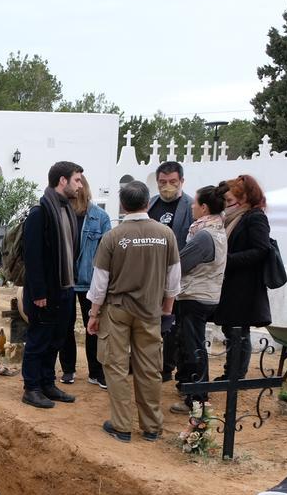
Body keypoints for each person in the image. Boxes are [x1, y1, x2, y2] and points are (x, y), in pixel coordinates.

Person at [86, 181, 180, 442]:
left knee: (115, 367)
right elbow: (174, 279)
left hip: (117, 310)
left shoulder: (113, 237)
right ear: (147, 203)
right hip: (151, 311)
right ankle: (151, 427)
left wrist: (94, 314)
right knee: (150, 368)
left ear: (123, 206)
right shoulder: (166, 234)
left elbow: (100, 282)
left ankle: (122, 425)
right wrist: (167, 310)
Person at [21, 161, 84, 409]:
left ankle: (47, 383)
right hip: (45, 293)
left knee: (56, 339)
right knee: (38, 340)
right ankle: (32, 387)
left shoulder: (67, 210)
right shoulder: (40, 213)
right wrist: (38, 292)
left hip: (65, 289)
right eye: (77, 180)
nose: (80, 185)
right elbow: (33, 256)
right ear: (62, 180)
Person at [168, 185, 228, 415]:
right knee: (190, 343)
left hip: (196, 295)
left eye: (195, 203)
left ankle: (197, 397)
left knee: (193, 346)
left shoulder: (204, 235)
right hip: (205, 293)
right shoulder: (216, 229)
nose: (192, 206)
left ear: (204, 207)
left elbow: (180, 264)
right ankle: (189, 386)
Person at [212, 174, 272, 380]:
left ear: (244, 198)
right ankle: (231, 373)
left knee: (239, 332)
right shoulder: (237, 218)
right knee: (231, 330)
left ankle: (235, 376)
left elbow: (261, 249)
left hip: (245, 286)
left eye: (229, 201)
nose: (227, 205)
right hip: (233, 284)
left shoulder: (255, 217)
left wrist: (227, 260)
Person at [58, 175, 111, 388]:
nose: (77, 191)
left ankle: (96, 372)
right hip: (66, 280)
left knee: (94, 327)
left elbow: (107, 252)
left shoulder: (100, 217)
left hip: (91, 281)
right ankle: (68, 369)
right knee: (65, 326)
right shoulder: (61, 214)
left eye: (80, 186)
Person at [148, 162, 193, 384]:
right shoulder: (151, 204)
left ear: (181, 182)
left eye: (172, 182)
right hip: (150, 275)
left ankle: (167, 366)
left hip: (177, 274)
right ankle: (150, 362)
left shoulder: (190, 207)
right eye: (163, 182)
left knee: (172, 324)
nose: (167, 186)